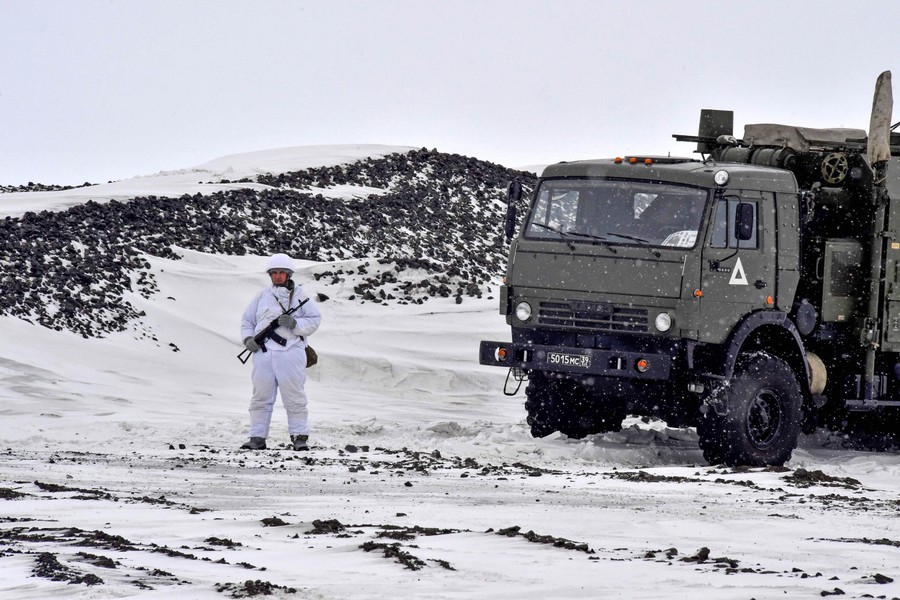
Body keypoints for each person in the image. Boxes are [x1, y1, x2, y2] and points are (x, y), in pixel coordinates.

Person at [239, 253, 322, 451]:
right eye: (274, 273)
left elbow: (314, 319)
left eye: (281, 273)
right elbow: (247, 321)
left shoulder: (301, 296)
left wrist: (295, 324)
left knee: (294, 397)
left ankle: (299, 437)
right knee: (260, 397)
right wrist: (248, 339)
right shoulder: (261, 296)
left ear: (288, 275)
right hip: (263, 354)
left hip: (291, 352)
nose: (277, 276)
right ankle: (257, 437)